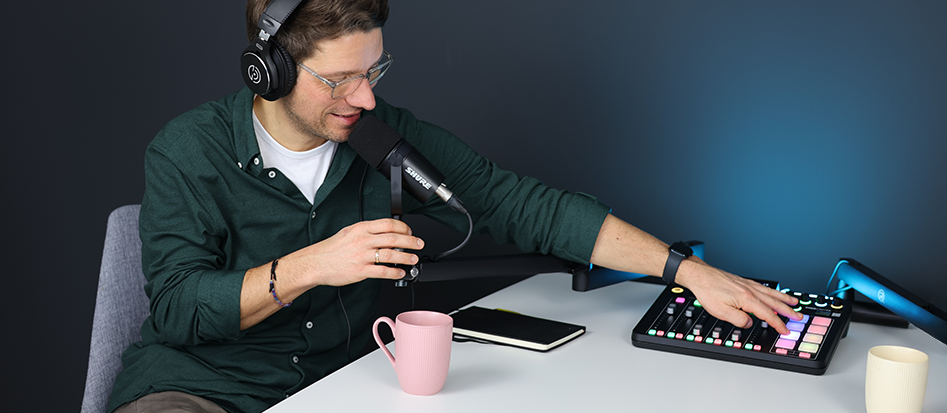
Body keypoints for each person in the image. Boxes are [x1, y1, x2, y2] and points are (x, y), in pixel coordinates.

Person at [108, 1, 802, 412]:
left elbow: (521, 204)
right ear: (271, 70)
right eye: (340, 79)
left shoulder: (384, 138)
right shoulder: (185, 151)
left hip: (337, 385)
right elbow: (176, 307)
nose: (365, 98)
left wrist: (682, 270)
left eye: (373, 71)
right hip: (200, 389)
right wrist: (312, 265)